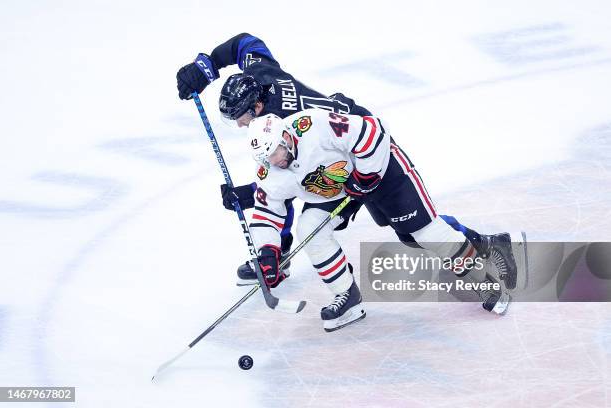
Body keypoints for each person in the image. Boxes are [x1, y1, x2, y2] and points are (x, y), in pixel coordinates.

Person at [176, 33, 518, 292]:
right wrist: (207, 65)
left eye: (241, 118)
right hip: (334, 154)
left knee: (413, 232)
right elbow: (245, 43)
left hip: (354, 153)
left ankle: (484, 245)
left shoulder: (289, 122)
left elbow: (296, 185)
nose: (239, 126)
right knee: (406, 231)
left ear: (260, 108)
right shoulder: (262, 76)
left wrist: (250, 195)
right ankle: (276, 255)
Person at [241, 110, 518, 331]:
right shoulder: (270, 168)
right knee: (309, 228)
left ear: (287, 137)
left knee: (421, 234)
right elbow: (267, 211)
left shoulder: (314, 125)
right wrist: (267, 252)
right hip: (338, 188)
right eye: (265, 158)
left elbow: (372, 133)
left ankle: (486, 278)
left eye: (275, 152)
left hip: (380, 170)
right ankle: (347, 298)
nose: (273, 161)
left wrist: (365, 178)